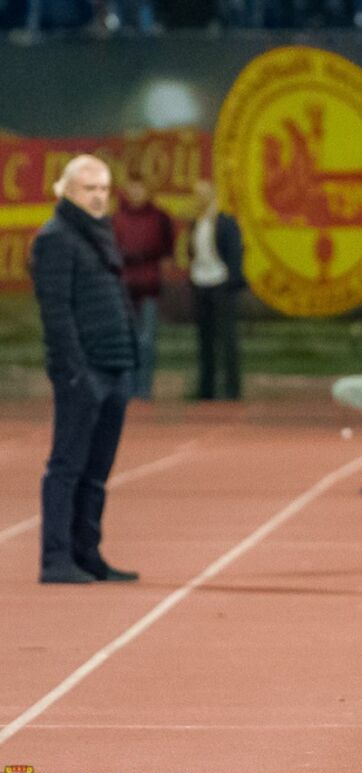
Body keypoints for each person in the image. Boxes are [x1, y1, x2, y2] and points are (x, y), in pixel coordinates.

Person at [29, 154, 140, 584]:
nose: (97, 197)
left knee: (97, 472)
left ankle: (87, 553)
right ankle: (56, 559)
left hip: (115, 366)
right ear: (68, 191)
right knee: (67, 466)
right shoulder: (55, 238)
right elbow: (56, 313)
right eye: (89, 189)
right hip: (84, 372)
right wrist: (74, 370)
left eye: (103, 189)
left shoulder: (99, 234)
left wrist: (129, 354)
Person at [113, 170, 175, 400]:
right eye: (132, 187)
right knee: (126, 341)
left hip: (149, 286)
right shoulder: (116, 219)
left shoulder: (161, 218)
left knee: (146, 340)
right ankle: (127, 389)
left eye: (140, 188)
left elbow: (168, 252)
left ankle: (144, 389)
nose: (136, 192)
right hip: (125, 288)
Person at [188, 179, 245, 400]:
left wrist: (231, 281)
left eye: (204, 193)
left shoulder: (225, 222)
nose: (200, 198)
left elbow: (235, 253)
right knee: (205, 339)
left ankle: (231, 389)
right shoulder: (195, 223)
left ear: (212, 195)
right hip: (201, 283)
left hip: (221, 283)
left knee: (227, 339)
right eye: (197, 194)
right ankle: (206, 389)